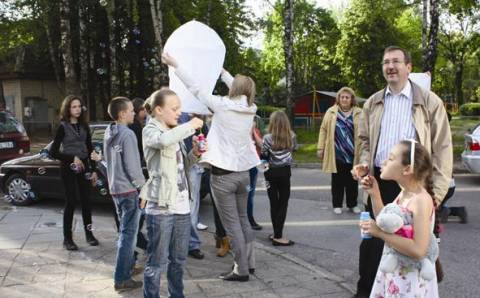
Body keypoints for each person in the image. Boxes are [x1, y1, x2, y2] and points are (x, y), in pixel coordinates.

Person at [351, 46, 452, 298]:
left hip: (416, 184)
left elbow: (442, 149)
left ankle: (411, 292)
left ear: (409, 67)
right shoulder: (373, 102)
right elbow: (364, 141)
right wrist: (364, 164)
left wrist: (436, 194)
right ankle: (369, 292)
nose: (390, 66)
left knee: (412, 249)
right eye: (386, 62)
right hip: (380, 180)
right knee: (372, 246)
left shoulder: (429, 102)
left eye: (396, 61)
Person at [162, 52, 259, 282]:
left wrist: (176, 64)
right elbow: (239, 88)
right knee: (243, 219)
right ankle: (250, 263)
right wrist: (222, 71)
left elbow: (196, 88)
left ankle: (241, 269)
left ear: (235, 89)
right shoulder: (251, 108)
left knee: (232, 223)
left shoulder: (222, 105)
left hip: (223, 176)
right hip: (244, 173)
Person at [140, 89, 204, 298]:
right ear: (159, 110)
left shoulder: (173, 130)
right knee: (156, 262)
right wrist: (190, 126)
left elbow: (181, 166)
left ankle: (177, 295)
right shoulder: (151, 130)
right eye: (174, 109)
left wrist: (194, 154)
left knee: (178, 260)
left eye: (180, 108)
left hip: (182, 207)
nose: (179, 113)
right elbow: (162, 141)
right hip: (161, 207)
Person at [360, 140, 439, 297]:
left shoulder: (420, 200)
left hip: (411, 282)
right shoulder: (405, 193)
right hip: (396, 274)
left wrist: (380, 234)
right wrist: (375, 194)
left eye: (390, 158)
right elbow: (388, 223)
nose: (383, 162)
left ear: (407, 169)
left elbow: (418, 250)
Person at [104, 97, 146, 291]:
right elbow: (132, 167)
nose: (134, 113)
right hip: (128, 190)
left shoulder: (109, 131)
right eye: (130, 110)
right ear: (121, 114)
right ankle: (122, 278)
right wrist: (143, 187)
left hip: (115, 189)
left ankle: (126, 269)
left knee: (125, 233)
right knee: (128, 236)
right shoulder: (127, 134)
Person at [50, 95, 99, 251]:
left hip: (84, 166)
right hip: (68, 167)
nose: (77, 109)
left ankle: (89, 235)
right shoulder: (62, 127)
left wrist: (94, 170)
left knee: (87, 201)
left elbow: (90, 149)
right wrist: (72, 157)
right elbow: (53, 152)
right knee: (71, 202)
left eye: (79, 106)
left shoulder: (85, 126)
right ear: (68, 109)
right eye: (73, 107)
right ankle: (67, 239)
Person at [317, 87, 362, 215]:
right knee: (337, 181)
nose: (344, 99)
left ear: (352, 99)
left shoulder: (359, 112)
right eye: (342, 97)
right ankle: (337, 204)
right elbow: (323, 130)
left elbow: (365, 132)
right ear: (338, 98)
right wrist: (320, 148)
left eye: (347, 97)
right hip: (336, 152)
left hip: (353, 153)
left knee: (352, 181)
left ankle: (352, 204)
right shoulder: (331, 112)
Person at [261, 111, 297, 246]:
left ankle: (276, 233)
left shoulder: (267, 138)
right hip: (285, 172)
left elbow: (263, 155)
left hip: (269, 173)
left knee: (273, 202)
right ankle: (278, 235)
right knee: (283, 203)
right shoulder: (291, 136)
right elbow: (294, 149)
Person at [178, 112, 206, 260]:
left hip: (193, 165)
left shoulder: (197, 116)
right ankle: (184, 244)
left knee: (192, 206)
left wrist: (197, 151)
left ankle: (192, 244)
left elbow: (205, 136)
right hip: (180, 169)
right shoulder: (176, 116)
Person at [248, 116, 264, 230]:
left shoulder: (256, 131)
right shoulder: (242, 132)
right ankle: (248, 219)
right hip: (244, 166)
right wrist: (249, 131)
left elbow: (261, 145)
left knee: (250, 193)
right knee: (245, 193)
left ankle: (250, 218)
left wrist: (253, 131)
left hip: (254, 166)